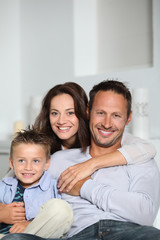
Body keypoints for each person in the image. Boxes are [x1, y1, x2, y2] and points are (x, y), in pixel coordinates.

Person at [3, 80, 160, 240]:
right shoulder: (57, 159)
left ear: (128, 118)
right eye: (100, 113)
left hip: (128, 232)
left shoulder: (139, 157)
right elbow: (16, 182)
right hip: (77, 235)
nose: (107, 123)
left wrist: (85, 185)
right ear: (88, 112)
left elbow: (145, 214)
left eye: (116, 115)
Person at [33, 82, 156, 193]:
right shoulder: (43, 147)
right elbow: (19, 174)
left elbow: (148, 149)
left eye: (70, 112)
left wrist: (91, 164)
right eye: (54, 113)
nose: (61, 121)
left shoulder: (101, 134)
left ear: (85, 112)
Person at [0, 128, 73, 239]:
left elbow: (61, 220)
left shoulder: (55, 187)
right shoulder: (4, 186)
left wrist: (29, 224)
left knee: (61, 208)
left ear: (47, 163)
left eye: (35, 161)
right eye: (21, 161)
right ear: (11, 163)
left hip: (36, 235)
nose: (28, 167)